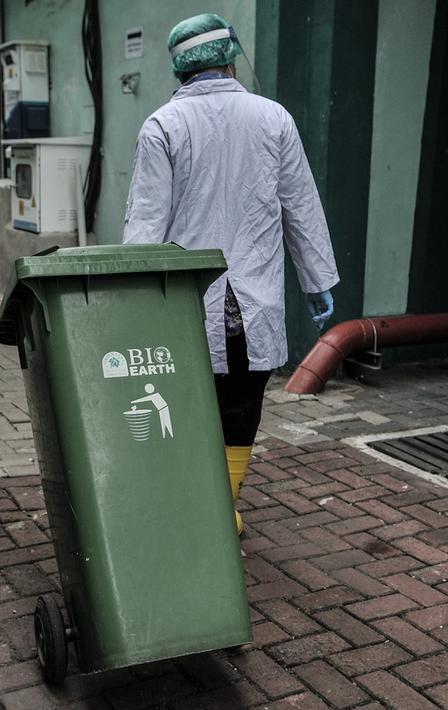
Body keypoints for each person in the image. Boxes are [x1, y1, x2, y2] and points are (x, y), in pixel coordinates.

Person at [123, 12, 339, 535]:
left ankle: (202, 510)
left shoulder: (163, 126)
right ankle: (223, 508)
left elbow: (145, 224)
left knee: (187, 410)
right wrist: (318, 283)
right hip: (254, 299)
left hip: (184, 304)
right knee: (241, 409)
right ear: (230, 59)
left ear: (179, 70)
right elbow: (301, 208)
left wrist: (129, 299)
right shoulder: (273, 118)